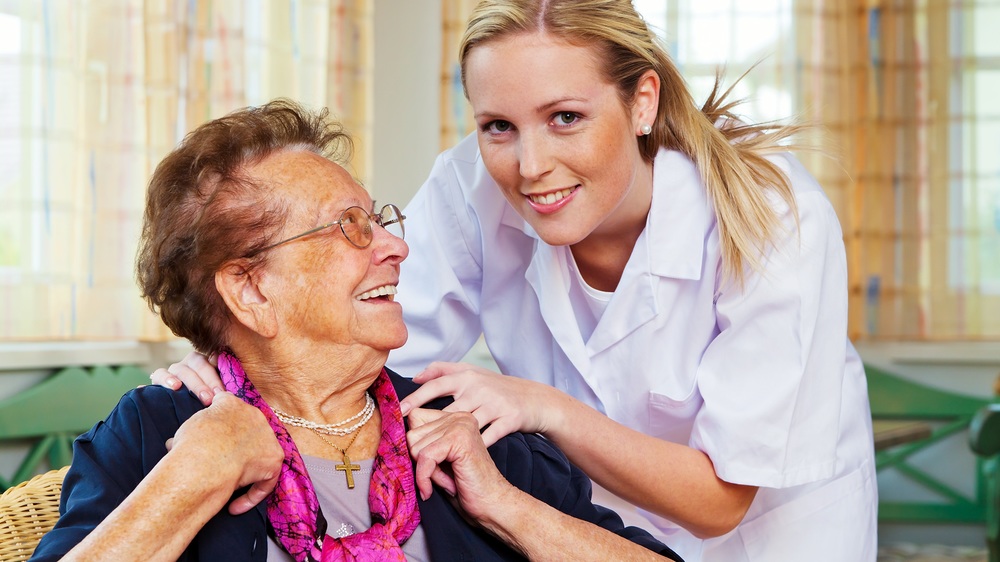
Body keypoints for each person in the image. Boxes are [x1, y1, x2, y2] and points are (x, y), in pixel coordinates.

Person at [152, 1, 878, 560]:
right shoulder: (469, 186)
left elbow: (721, 500)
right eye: (498, 126)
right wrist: (233, 355)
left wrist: (542, 406)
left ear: (643, 102)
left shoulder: (776, 216)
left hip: (768, 534)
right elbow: (359, 334)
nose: (529, 166)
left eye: (566, 117)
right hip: (594, 526)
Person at [31, 100, 681, 562]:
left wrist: (510, 508)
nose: (395, 247)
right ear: (251, 289)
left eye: (380, 219)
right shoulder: (157, 433)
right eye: (349, 226)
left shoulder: (457, 426)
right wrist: (192, 476)